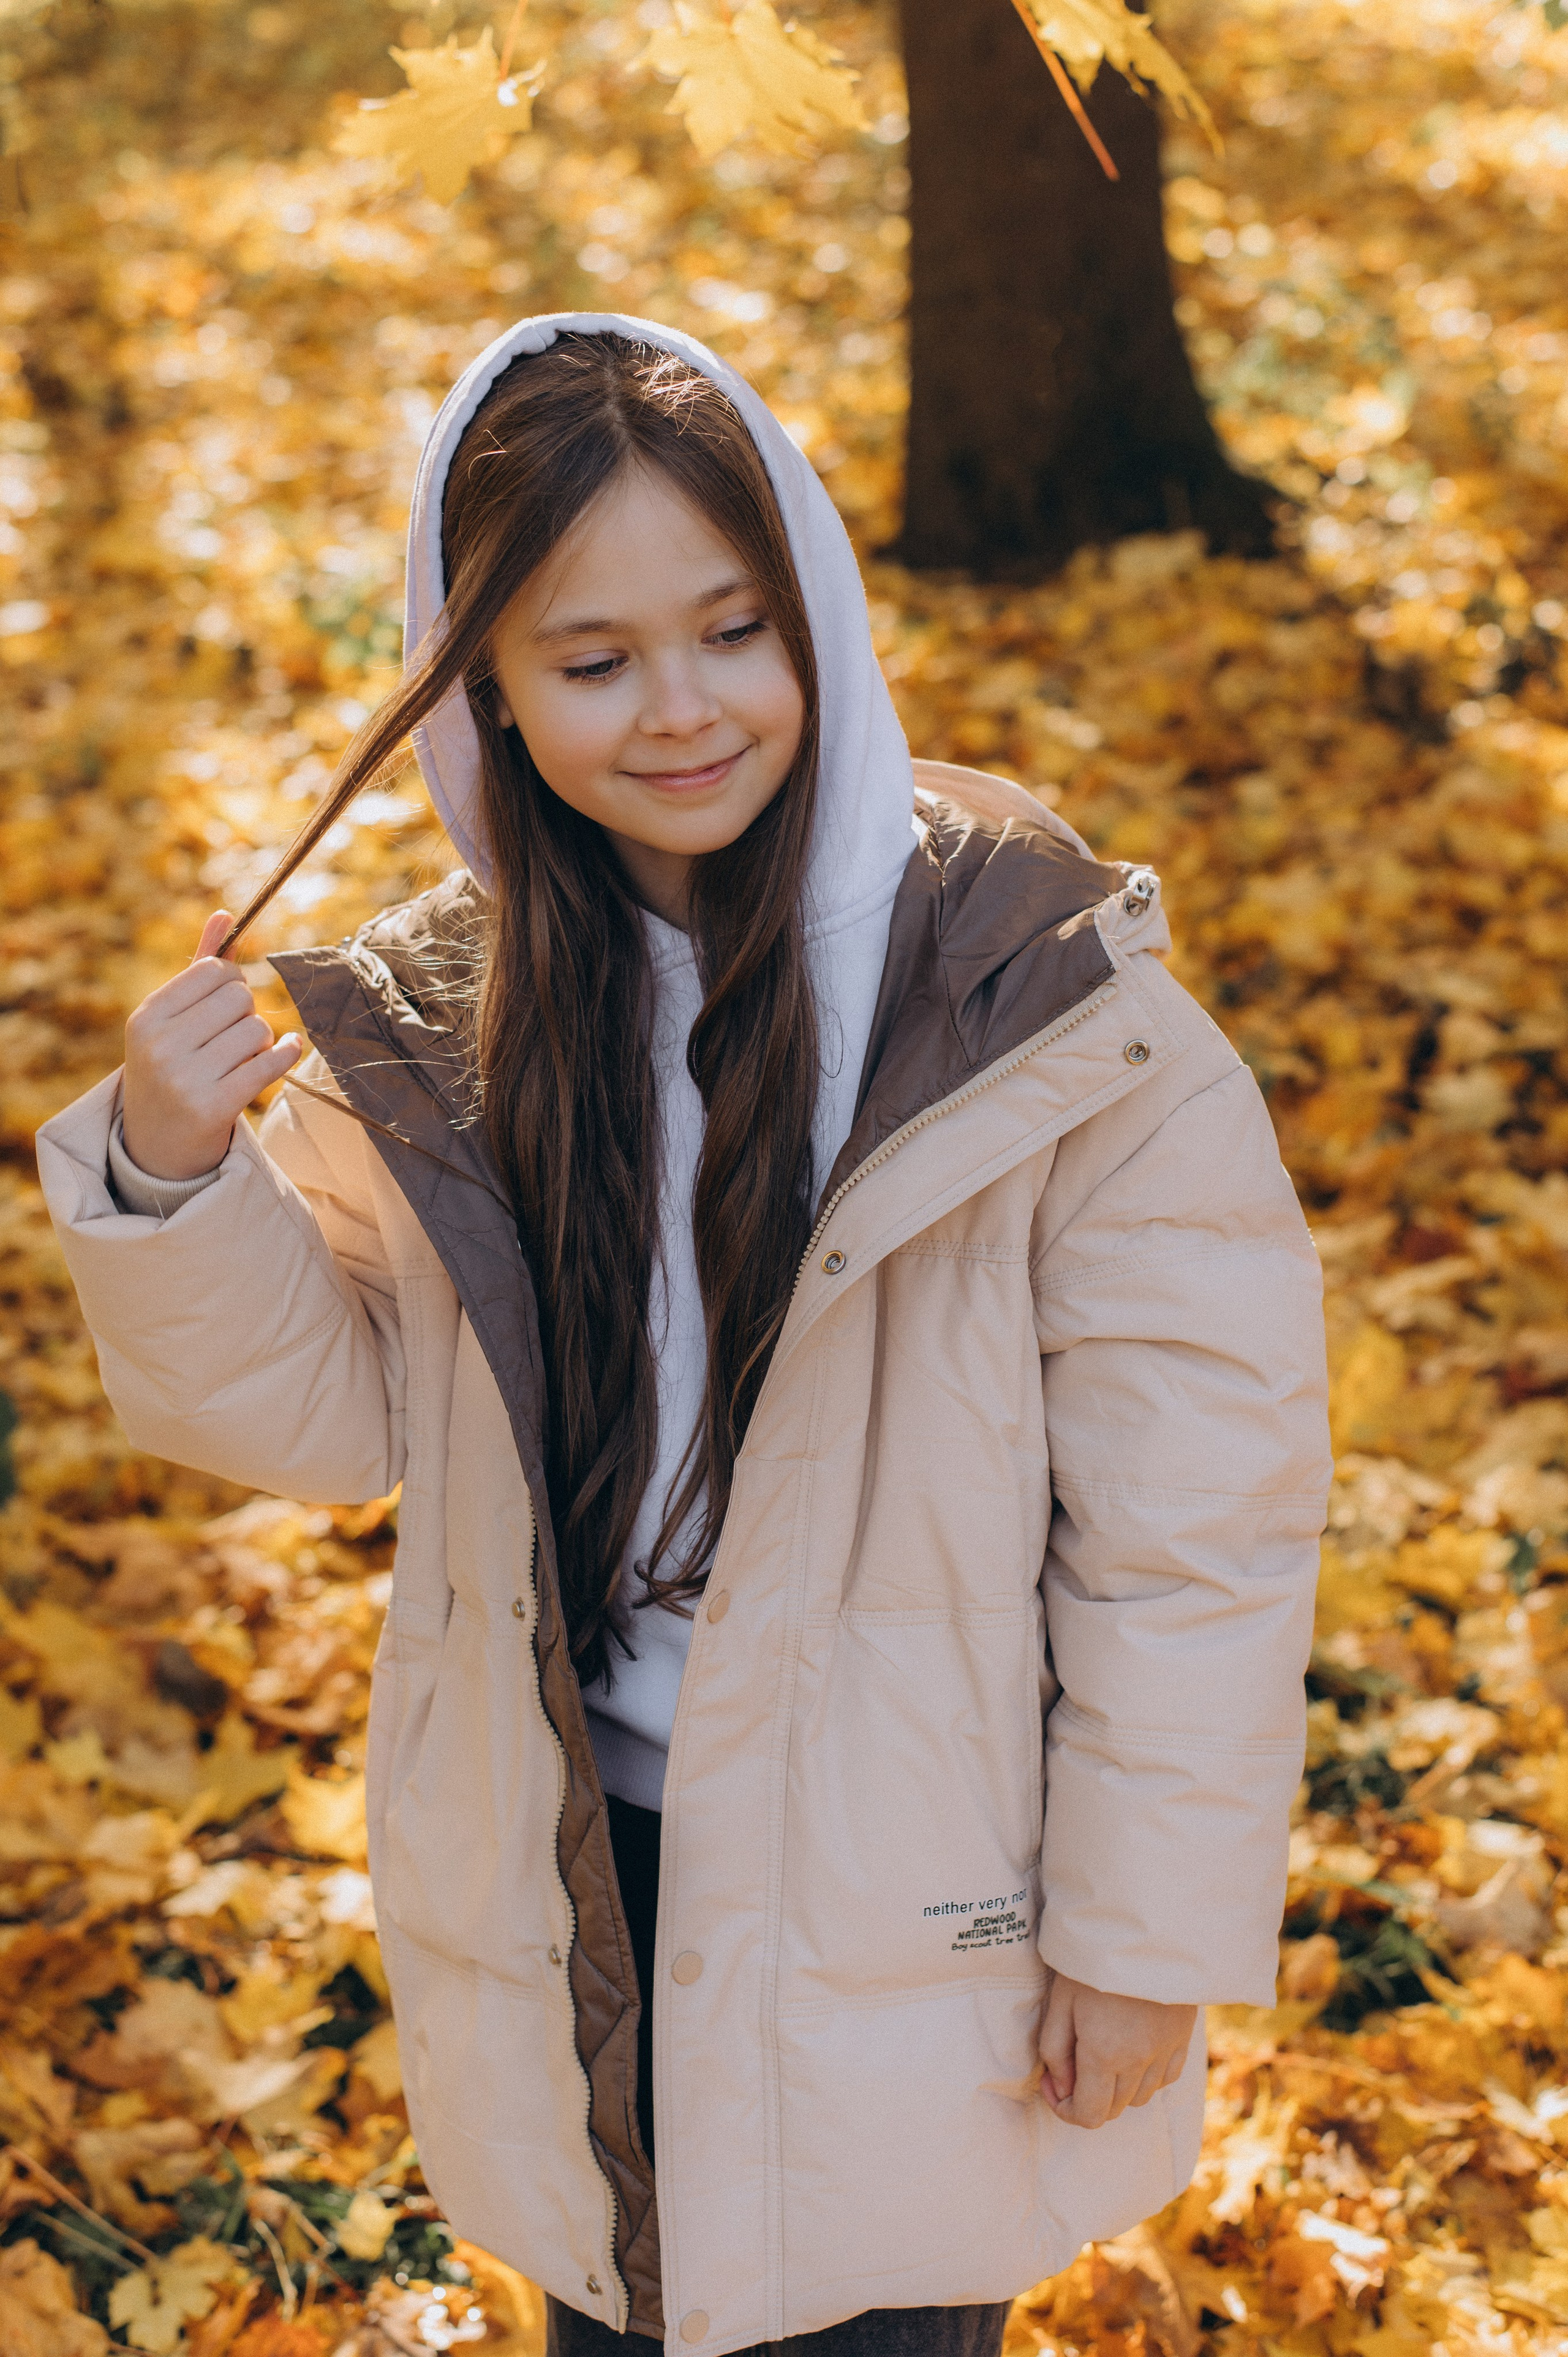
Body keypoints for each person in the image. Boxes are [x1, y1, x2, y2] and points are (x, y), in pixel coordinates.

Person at [37, 315, 1331, 2357]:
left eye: (734, 629)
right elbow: (333, 1424)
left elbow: (1202, 1531)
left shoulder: (1054, 1019)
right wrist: (185, 1172)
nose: (682, 710)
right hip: (579, 1857)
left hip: (922, 1872)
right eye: (593, 659)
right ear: (486, 695)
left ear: (811, 608)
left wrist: (1139, 1932)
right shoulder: (456, 1029)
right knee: (623, 2326)